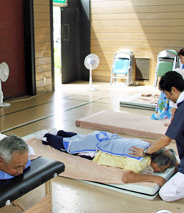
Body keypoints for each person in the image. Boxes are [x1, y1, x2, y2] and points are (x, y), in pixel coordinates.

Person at [41, 130, 176, 186]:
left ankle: (63, 133)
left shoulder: (147, 146)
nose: (161, 171)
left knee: (80, 139)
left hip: (105, 136)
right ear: (155, 162)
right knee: (70, 148)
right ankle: (49, 136)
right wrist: (154, 178)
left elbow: (166, 152)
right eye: (162, 169)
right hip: (96, 147)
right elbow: (126, 177)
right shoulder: (139, 161)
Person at [129, 71, 184, 201]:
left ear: (174, 90)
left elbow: (166, 140)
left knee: (165, 194)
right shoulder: (179, 107)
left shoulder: (182, 109)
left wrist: (145, 152)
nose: (168, 98)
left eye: (166, 94)